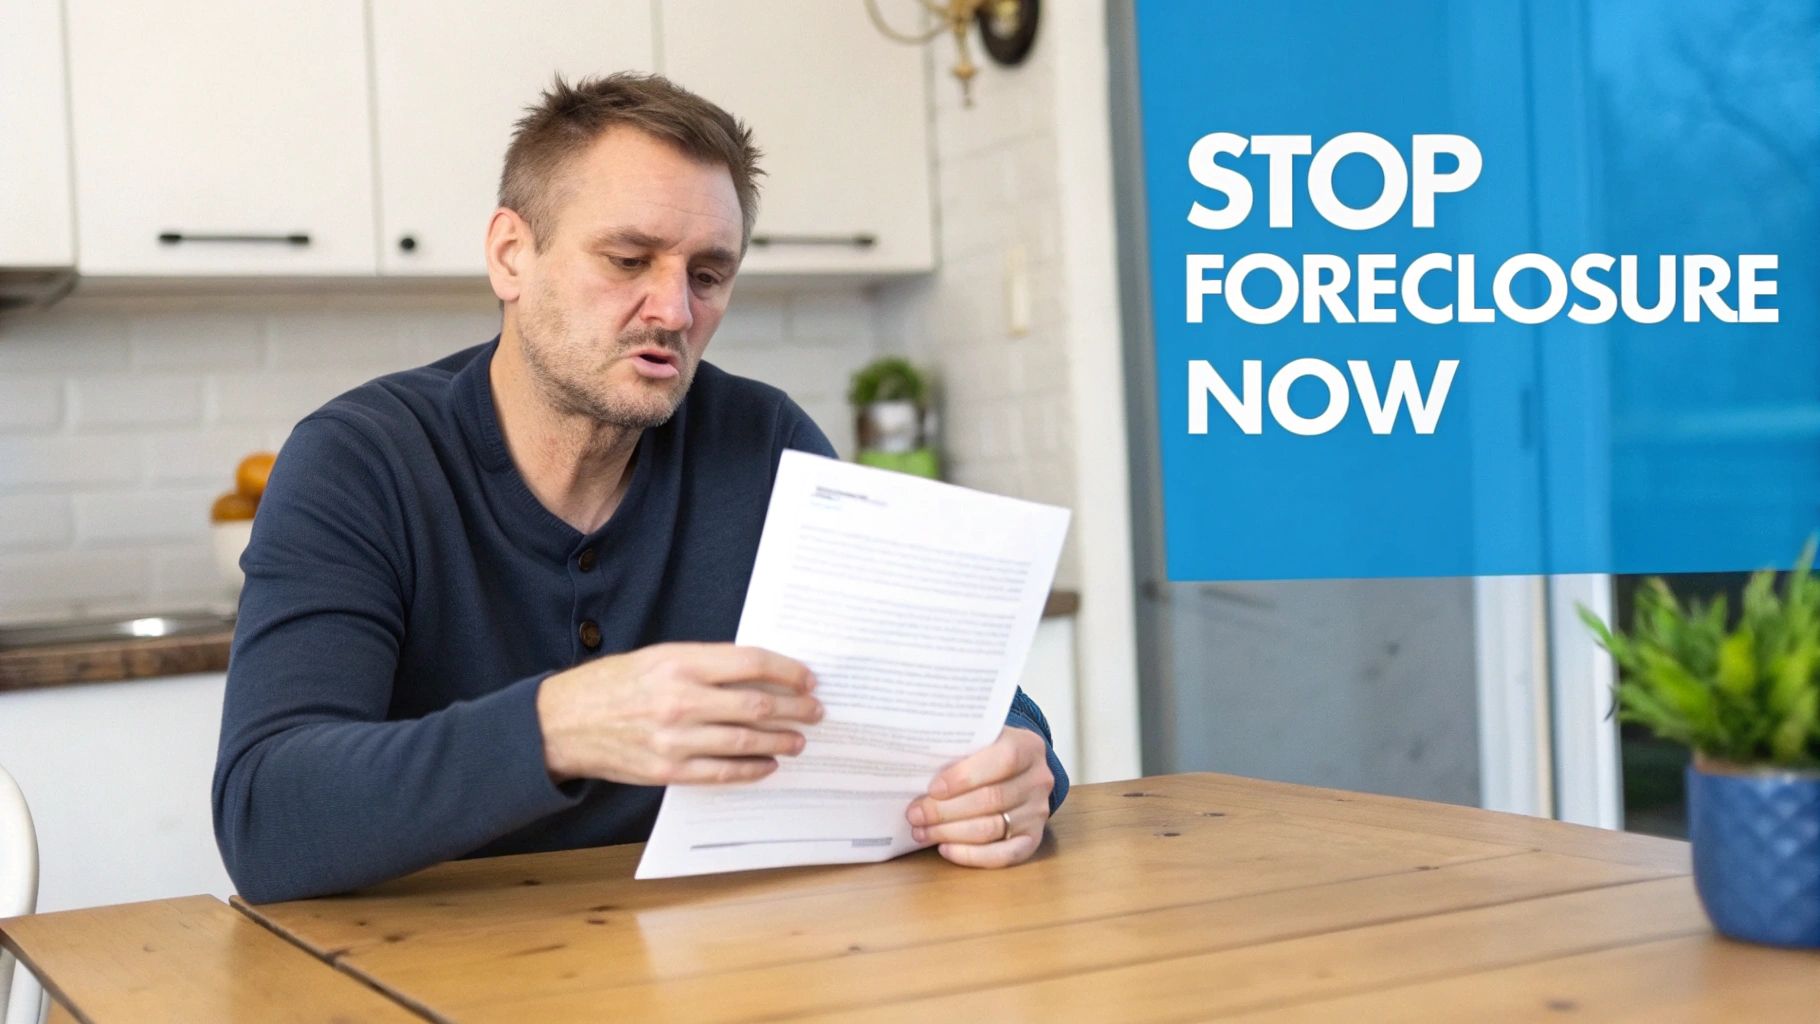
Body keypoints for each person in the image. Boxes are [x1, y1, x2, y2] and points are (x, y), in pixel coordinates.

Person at [212, 73, 1068, 903]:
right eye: (628, 259)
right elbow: (266, 818)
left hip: (720, 955)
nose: (673, 309)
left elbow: (963, 697)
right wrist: (561, 725)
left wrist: (1023, 765)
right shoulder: (360, 462)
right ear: (512, 254)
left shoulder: (763, 444)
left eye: (707, 274)